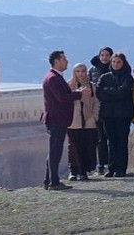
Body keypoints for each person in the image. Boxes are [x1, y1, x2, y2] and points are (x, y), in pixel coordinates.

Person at [41, 50, 89, 190]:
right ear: (57, 61)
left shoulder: (54, 76)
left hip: (57, 119)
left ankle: (48, 180)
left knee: (54, 150)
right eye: (64, 59)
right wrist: (79, 94)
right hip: (57, 119)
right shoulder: (53, 78)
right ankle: (54, 182)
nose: (67, 61)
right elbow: (61, 97)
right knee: (55, 151)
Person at [96, 53, 134, 178]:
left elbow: (123, 92)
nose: (115, 64)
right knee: (110, 141)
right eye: (114, 62)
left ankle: (121, 168)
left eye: (118, 62)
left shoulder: (127, 77)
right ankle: (111, 168)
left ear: (123, 63)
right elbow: (99, 93)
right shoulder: (104, 77)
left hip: (123, 115)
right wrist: (114, 91)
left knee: (121, 141)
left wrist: (109, 90)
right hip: (107, 115)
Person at [66, 63, 100, 181]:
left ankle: (84, 170)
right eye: (78, 71)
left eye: (83, 71)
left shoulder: (92, 86)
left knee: (88, 146)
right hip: (74, 122)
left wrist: (94, 117)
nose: (81, 74)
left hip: (89, 121)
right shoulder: (69, 86)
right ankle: (74, 171)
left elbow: (96, 102)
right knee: (74, 147)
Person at [88, 46, 114, 175]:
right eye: (102, 55)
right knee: (100, 138)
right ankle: (101, 164)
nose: (104, 57)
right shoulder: (93, 70)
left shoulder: (114, 68)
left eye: (107, 55)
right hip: (97, 108)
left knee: (111, 137)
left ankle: (111, 163)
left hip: (111, 108)